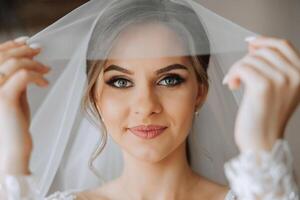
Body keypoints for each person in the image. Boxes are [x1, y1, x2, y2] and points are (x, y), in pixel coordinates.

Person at [0, 0, 299, 199]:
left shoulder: (260, 192)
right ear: (94, 96)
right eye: (120, 81)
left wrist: (261, 146)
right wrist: (13, 156)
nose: (146, 106)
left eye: (170, 80)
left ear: (200, 91)